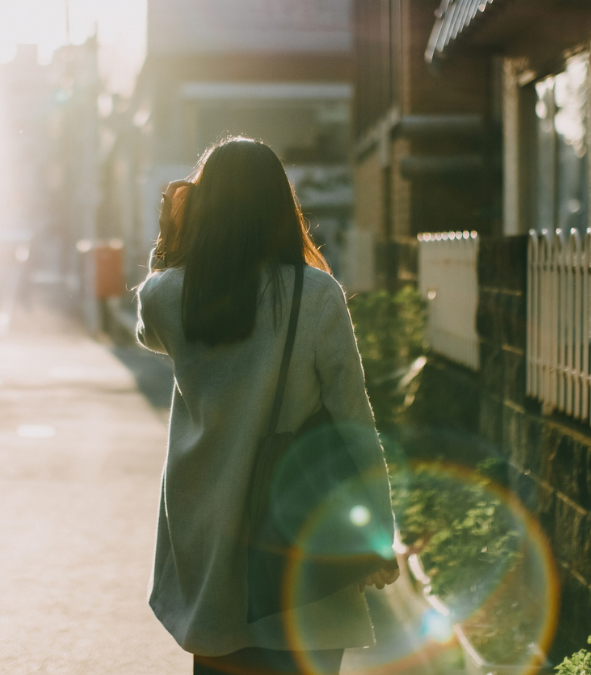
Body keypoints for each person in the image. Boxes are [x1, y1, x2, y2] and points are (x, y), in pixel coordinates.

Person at [135, 138, 400, 675]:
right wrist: (378, 532)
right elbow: (354, 421)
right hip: (298, 539)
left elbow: (147, 328)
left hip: (207, 538)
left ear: (203, 206)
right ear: (283, 207)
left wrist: (172, 233)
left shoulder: (167, 297)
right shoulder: (316, 296)